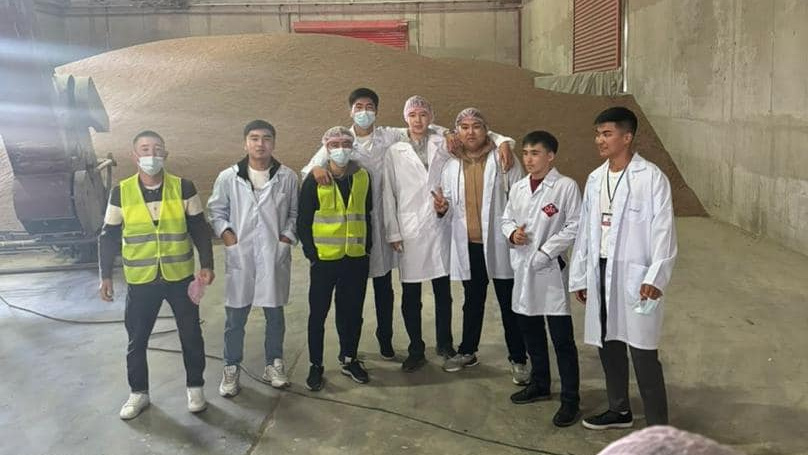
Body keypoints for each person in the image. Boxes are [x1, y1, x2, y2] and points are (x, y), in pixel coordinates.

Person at [301, 88, 515, 361]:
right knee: (377, 291)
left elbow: (464, 131)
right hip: (379, 224)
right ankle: (389, 347)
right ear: (351, 110)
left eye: (369, 107)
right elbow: (316, 165)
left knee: (429, 291)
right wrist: (316, 168)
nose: (417, 119)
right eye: (359, 107)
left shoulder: (399, 136)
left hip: (435, 223)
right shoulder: (348, 140)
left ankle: (434, 343)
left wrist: (501, 139)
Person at [569, 107, 678, 429]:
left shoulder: (651, 178)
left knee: (643, 351)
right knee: (608, 342)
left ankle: (658, 426)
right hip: (601, 270)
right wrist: (580, 275)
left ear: (627, 137)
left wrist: (655, 276)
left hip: (636, 274)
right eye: (597, 134)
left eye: (607, 133)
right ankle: (619, 410)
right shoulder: (595, 178)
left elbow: (664, 230)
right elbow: (585, 230)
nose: (599, 140)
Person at [98, 130, 214, 420]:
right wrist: (105, 275)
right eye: (145, 149)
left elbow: (199, 227)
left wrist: (207, 264)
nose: (152, 155)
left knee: (191, 335)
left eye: (157, 149)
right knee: (137, 339)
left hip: (180, 277)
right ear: (135, 156)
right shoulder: (121, 192)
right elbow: (109, 235)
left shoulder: (183, 187)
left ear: (166, 154)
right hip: (141, 280)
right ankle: (138, 393)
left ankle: (195, 388)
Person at [435, 108, 528, 386]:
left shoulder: (503, 159)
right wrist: (442, 209)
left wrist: (517, 233)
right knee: (472, 301)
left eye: (476, 126)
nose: (470, 132)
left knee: (509, 303)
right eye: (464, 127)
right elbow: (448, 203)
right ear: (457, 132)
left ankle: (518, 358)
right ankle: (468, 351)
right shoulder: (451, 165)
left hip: (502, 244)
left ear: (487, 130)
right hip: (470, 245)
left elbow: (521, 197)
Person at [207, 120, 298, 397]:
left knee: (275, 315)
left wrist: (285, 239)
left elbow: (295, 214)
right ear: (245, 143)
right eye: (254, 138)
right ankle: (231, 366)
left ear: (274, 143)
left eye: (266, 138)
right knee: (235, 318)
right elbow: (216, 212)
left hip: (273, 254)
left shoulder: (287, 177)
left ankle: (274, 363)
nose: (260, 144)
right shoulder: (228, 177)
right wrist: (228, 237)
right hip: (241, 255)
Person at [501, 130, 582, 427]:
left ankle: (571, 399)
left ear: (551, 156)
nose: (529, 159)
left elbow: (575, 224)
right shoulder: (519, 187)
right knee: (530, 331)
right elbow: (506, 218)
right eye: (525, 153)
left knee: (561, 339)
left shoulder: (565, 187)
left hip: (549, 272)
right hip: (523, 269)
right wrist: (513, 233)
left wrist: (547, 251)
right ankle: (540, 383)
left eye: (535, 153)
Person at [298, 126, 373, 391]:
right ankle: (315, 365)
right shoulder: (315, 179)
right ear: (326, 148)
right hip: (324, 261)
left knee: (352, 313)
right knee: (318, 314)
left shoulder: (362, 177)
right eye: (334, 144)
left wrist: (367, 249)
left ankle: (349, 358)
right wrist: (312, 255)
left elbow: (366, 214)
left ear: (352, 147)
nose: (340, 149)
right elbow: (303, 220)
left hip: (355, 259)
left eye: (345, 143)